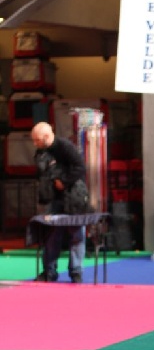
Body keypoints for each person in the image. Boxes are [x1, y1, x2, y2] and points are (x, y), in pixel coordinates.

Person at [31, 121, 89, 283]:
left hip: (74, 197)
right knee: (51, 235)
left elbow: (80, 167)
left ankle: (76, 272)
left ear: (47, 136)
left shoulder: (65, 146)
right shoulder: (41, 152)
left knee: (76, 234)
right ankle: (49, 272)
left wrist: (63, 181)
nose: (35, 144)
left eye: (37, 140)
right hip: (54, 198)